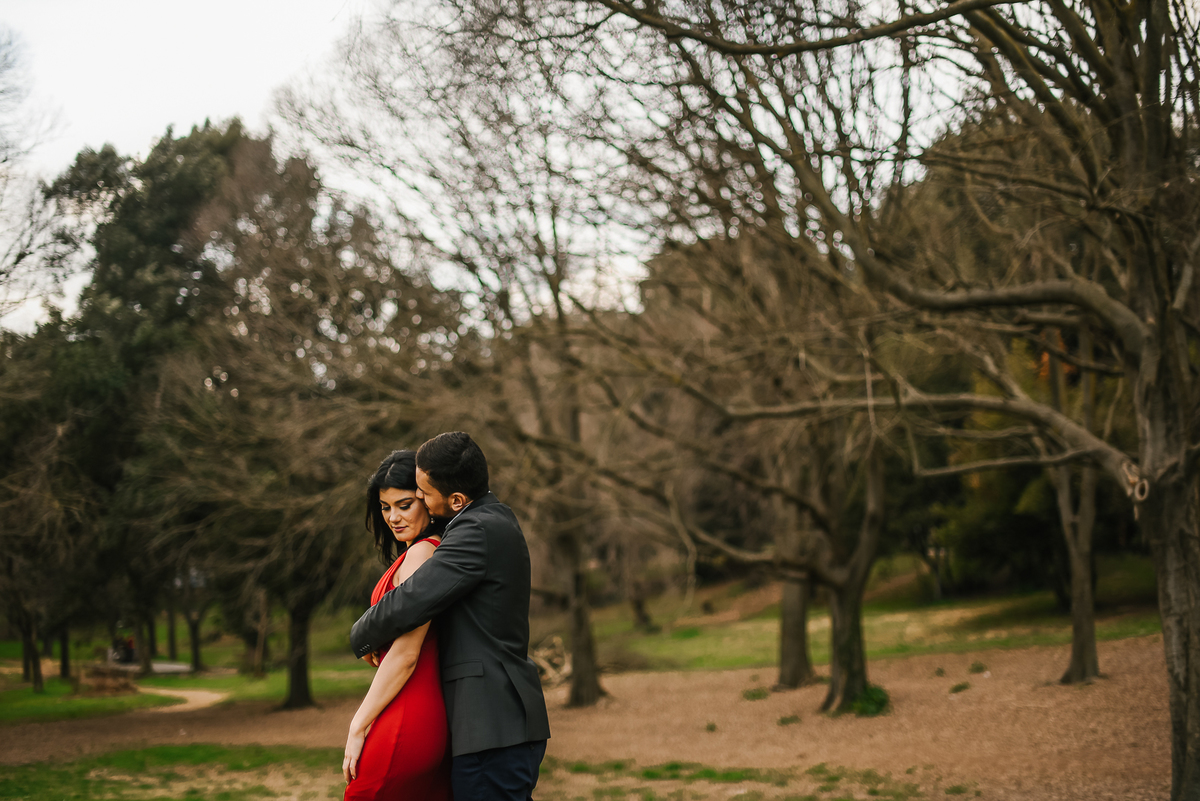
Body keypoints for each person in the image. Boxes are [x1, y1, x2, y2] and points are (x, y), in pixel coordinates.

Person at [350, 431, 551, 801]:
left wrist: (359, 636)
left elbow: (410, 601)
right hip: (490, 725)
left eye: (423, 495)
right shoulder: (490, 519)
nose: (421, 501)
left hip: (492, 723)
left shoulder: (475, 530)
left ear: (456, 499)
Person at [342, 450, 452, 800]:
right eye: (385, 507)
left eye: (405, 505)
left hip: (409, 710)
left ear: (427, 501)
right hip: (411, 707)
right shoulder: (418, 551)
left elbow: (406, 654)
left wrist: (358, 724)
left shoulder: (422, 554)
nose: (393, 517)